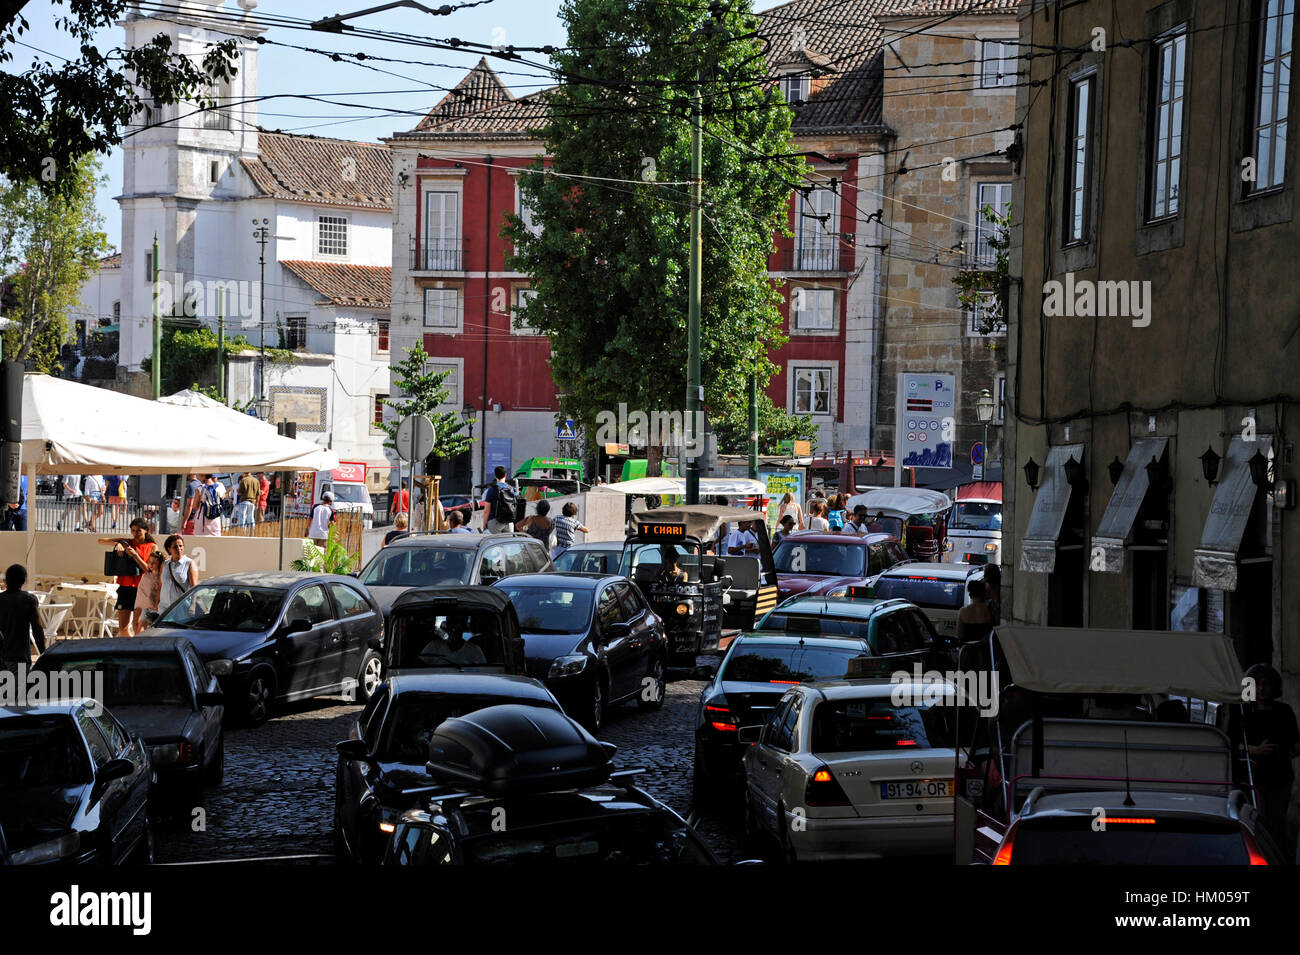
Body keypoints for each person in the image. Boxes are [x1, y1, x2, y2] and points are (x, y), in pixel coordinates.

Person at [1234, 664, 1300, 850]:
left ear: (1274, 687)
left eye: (1266, 684)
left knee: (1277, 823)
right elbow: (1232, 741)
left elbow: (1295, 741)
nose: (1261, 689)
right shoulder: (1243, 712)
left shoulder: (1283, 711)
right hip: (1254, 777)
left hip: (1280, 777)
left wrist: (1289, 751)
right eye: (1256, 684)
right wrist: (1253, 750)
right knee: (1256, 821)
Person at [98, 517, 157, 637]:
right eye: (133, 530)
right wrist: (119, 543)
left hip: (142, 589)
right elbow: (101, 541)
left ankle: (137, 650)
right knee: (123, 628)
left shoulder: (152, 547)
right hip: (125, 588)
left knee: (137, 625)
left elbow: (148, 570)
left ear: (146, 530)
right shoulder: (128, 542)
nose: (135, 534)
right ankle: (131, 647)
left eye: (138, 531)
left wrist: (135, 555)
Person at [0, 563, 44, 678]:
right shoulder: (29, 600)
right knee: (19, 692)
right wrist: (43, 654)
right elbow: (37, 629)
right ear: (24, 580)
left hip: (3, 655)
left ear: (5, 580)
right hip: (19, 656)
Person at [159, 535, 198, 611]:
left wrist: (193, 605)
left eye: (181, 546)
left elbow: (194, 587)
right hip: (164, 607)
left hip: (181, 607)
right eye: (175, 547)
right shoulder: (165, 564)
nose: (179, 549)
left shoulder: (189, 563)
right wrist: (157, 602)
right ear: (169, 549)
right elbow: (161, 585)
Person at [956, 579, 995, 644]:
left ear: (970, 594)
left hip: (969, 649)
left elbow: (959, 635)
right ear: (983, 593)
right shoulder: (990, 610)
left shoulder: (963, 611)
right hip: (985, 649)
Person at [135, 550, 166, 625]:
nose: (151, 564)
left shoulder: (162, 577)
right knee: (140, 625)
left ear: (160, 563)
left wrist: (156, 605)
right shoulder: (146, 575)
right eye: (149, 562)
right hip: (144, 606)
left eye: (154, 562)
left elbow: (160, 591)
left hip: (157, 608)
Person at [483, 466, 517, 533]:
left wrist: (484, 524)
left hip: (495, 522)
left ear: (495, 476)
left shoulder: (491, 490)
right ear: (505, 475)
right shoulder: (511, 489)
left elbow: (486, 510)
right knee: (508, 543)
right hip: (509, 521)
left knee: (495, 542)